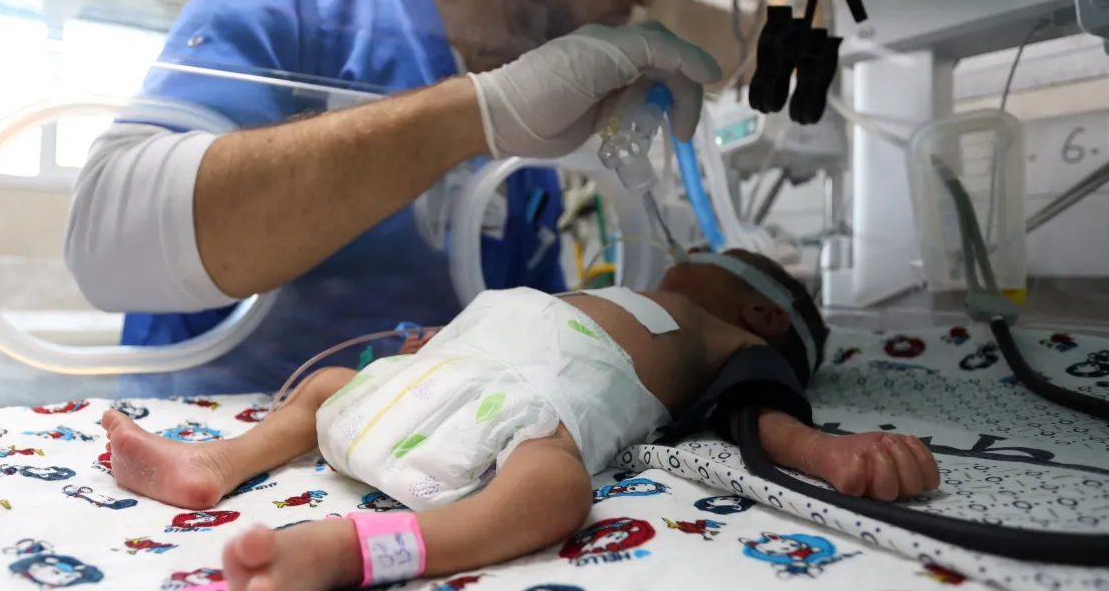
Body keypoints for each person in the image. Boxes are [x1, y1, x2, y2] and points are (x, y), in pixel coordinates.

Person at [64, 0, 719, 397]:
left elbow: (529, 348)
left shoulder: (541, 136)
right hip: (208, 454)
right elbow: (107, 250)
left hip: (407, 469)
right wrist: (477, 113)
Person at [99, 251, 941, 591]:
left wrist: (825, 451)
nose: (685, 258)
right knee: (328, 388)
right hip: (440, 379)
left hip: (533, 413)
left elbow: (750, 407)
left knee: (554, 489)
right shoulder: (615, 294)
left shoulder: (724, 333)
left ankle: (360, 550)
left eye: (714, 260)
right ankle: (213, 463)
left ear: (762, 313)